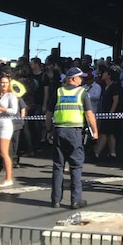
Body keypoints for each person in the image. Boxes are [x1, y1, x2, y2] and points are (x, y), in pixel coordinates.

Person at [45, 67, 99, 209]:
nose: (82, 80)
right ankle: (75, 200)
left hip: (59, 131)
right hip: (74, 133)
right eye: (80, 77)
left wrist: (49, 129)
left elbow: (49, 113)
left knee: (58, 166)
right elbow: (89, 114)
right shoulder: (82, 93)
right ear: (73, 79)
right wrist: (95, 132)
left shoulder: (58, 92)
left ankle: (55, 200)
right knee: (75, 167)